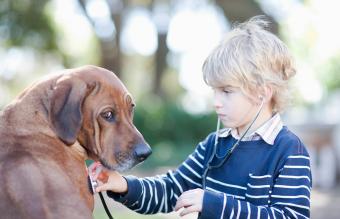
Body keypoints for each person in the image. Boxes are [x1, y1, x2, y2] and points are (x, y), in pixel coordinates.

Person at [89, 16, 312, 219]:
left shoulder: (289, 150)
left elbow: (291, 216)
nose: (216, 101)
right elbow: (170, 190)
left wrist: (213, 203)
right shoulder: (214, 146)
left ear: (262, 93)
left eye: (226, 91)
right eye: (214, 91)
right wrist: (123, 185)